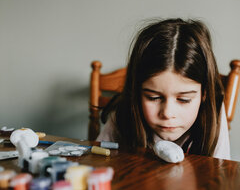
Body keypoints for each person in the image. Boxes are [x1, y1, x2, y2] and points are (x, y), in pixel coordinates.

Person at [97, 18, 230, 160]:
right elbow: (98, 161)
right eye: (153, 97)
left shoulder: (213, 113)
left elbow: (219, 175)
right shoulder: (124, 111)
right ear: (136, 93)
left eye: (184, 100)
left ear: (204, 94)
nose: (167, 113)